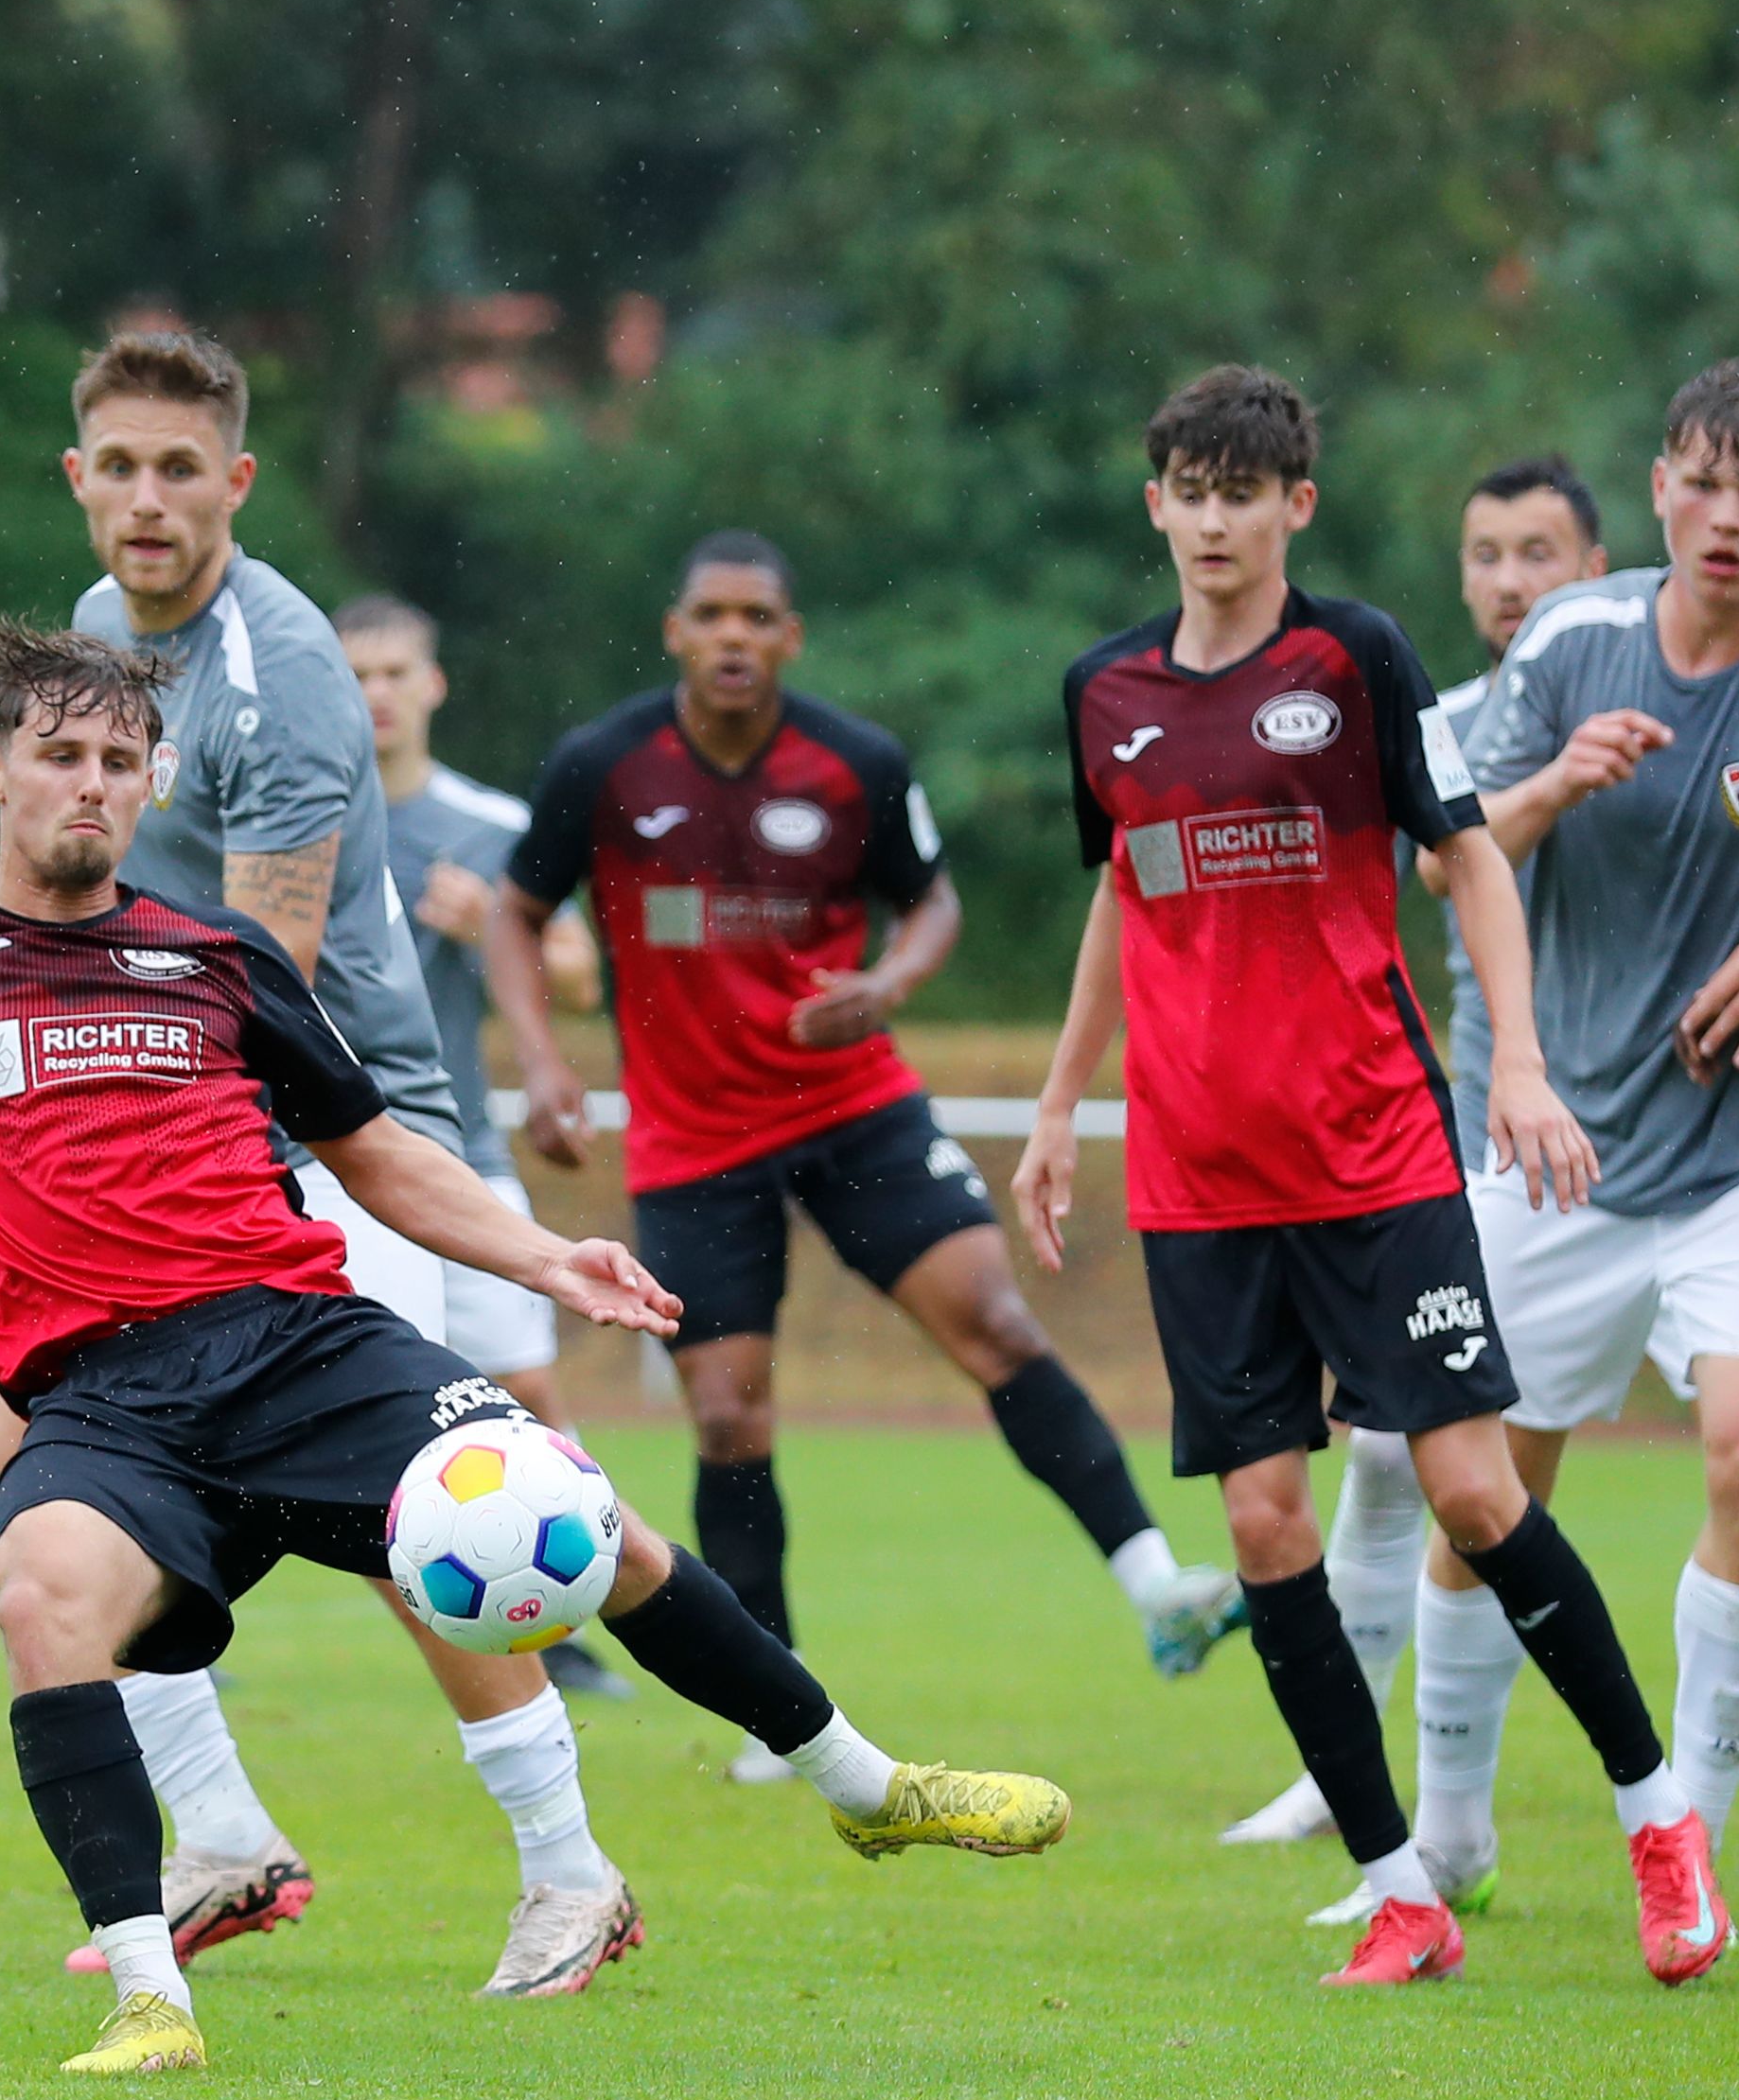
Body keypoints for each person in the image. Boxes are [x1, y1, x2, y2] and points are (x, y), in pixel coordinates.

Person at [0, 617, 1074, 2073]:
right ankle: (147, 1991)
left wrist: (548, 1251)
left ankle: (863, 1782)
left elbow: (380, 1154)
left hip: (302, 1345)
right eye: (62, 753)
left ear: (153, 784)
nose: (93, 783)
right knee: (42, 1590)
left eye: (124, 758)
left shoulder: (214, 956)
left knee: (578, 1523)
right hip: (105, 1401)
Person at [1017, 363, 1732, 1990]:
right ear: (1155, 506)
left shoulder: (1354, 658)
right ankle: (1401, 1889)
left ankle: (1656, 1818)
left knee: (1475, 1498)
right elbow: (1121, 898)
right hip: (1198, 1178)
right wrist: (1062, 1102)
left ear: (1293, 508)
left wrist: (1526, 1066)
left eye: (1240, 493)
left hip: (1371, 1150)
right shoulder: (1101, 692)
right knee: (1268, 1523)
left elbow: (1466, 852)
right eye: (1185, 492)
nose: (1212, 520)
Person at [1281, 368, 1739, 1926]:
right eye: (1702, 484)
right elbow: (1451, 865)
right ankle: (1455, 1836)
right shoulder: (1566, 642)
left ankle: (1686, 1853)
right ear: (1662, 486)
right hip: (1562, 1150)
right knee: (1483, 1491)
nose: (1727, 519)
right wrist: (1551, 782)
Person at [13, 325, 638, 2000]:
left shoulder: (279, 667)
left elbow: (262, 977)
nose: (147, 499)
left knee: (419, 1524)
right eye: (117, 466)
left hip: (341, 1133)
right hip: (193, 1137)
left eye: (178, 467)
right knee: (43, 1473)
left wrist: (122, 1109)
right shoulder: (93, 637)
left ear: (236, 479)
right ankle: (216, 1835)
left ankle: (571, 1872)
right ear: (78, 479)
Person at [484, 532, 1245, 1782]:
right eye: (711, 615)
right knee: (728, 1418)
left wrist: (888, 979)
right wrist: (547, 1059)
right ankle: (773, 1709)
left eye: (759, 618)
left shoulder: (854, 762)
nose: (734, 637)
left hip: (851, 1106)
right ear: (675, 632)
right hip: (691, 1138)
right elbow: (517, 911)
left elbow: (930, 895)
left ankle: (1157, 1582)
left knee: (995, 1322)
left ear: (789, 638)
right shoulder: (603, 765)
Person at [1223, 454, 1604, 1861]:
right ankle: (1375, 1789)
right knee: (1392, 1458)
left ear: (1596, 568)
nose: (1509, 579)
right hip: (1466, 1126)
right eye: (1486, 552)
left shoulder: (1651, 700)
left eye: (1539, 552)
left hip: (1642, 1133)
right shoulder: (1433, 710)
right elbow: (1444, 863)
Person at [338, 594, 631, 1700]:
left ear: (433, 685)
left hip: (454, 1149)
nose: (376, 695)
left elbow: (579, 975)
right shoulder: (296, 811)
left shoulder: (486, 823)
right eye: (355, 673)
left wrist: (483, 923)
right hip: (312, 1157)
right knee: (341, 1404)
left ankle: (574, 1613)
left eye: (394, 673)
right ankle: (185, 1620)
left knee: (523, 1389)